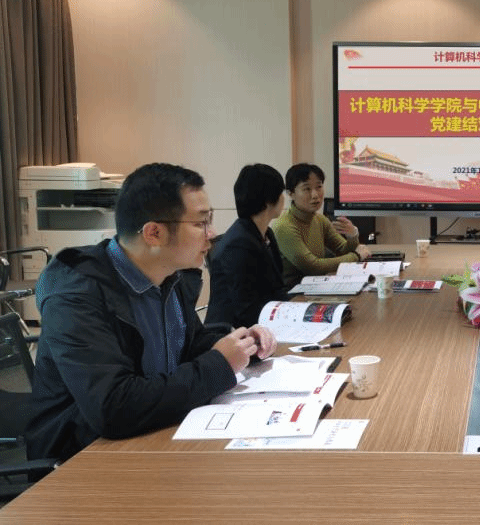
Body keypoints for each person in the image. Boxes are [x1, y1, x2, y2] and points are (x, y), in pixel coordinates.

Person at [27, 163, 277, 462]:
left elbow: (187, 344)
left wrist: (239, 344)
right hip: (81, 458)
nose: (211, 234)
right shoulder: (77, 296)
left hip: (151, 435)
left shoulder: (169, 276)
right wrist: (219, 365)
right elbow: (113, 407)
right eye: (201, 223)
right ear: (154, 233)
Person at [208, 163, 292, 328]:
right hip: (234, 332)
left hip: (266, 322)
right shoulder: (238, 245)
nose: (284, 199)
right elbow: (245, 310)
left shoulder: (266, 233)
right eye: (281, 193)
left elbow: (277, 289)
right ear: (268, 201)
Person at [273, 163, 372, 287]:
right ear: (290, 193)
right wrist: (356, 256)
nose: (315, 195)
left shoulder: (319, 219)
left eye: (319, 187)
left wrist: (352, 235)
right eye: (307, 189)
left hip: (317, 285)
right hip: (293, 292)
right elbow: (313, 267)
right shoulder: (284, 226)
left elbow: (342, 251)